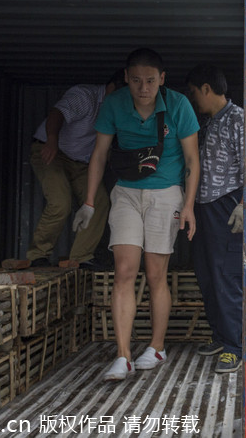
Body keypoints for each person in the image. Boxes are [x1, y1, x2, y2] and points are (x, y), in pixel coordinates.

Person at [74, 48, 200, 381]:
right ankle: (123, 355)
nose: (143, 88)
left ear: (162, 79)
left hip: (166, 192)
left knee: (156, 273)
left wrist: (188, 205)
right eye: (135, 80)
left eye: (150, 81)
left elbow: (192, 160)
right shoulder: (114, 105)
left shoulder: (178, 105)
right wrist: (89, 201)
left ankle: (156, 347)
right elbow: (100, 154)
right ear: (126, 78)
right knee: (124, 271)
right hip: (126, 192)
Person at [27, 70, 126, 269]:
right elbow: (57, 114)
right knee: (60, 202)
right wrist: (52, 140)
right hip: (52, 152)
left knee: (100, 202)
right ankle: (37, 255)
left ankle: (81, 258)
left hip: (82, 163)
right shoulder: (85, 96)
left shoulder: (119, 111)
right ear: (111, 88)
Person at [185, 64, 244, 373]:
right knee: (207, 276)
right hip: (203, 207)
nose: (194, 99)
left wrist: (244, 204)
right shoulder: (207, 123)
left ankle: (235, 346)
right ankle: (221, 336)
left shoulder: (239, 119)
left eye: (194, 93)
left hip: (227, 206)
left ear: (206, 89)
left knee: (226, 277)